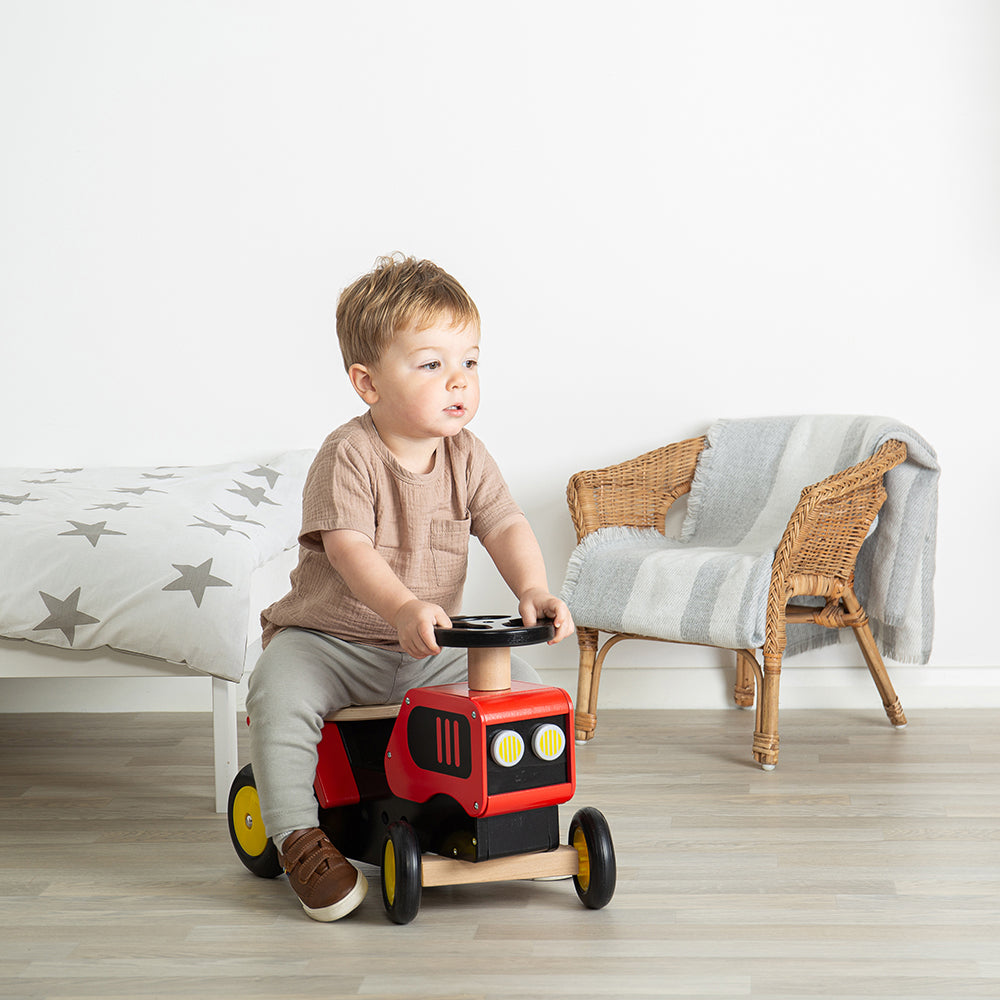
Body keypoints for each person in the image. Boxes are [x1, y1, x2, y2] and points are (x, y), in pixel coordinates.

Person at [246, 254, 574, 922]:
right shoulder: (350, 455)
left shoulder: (468, 454)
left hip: (426, 646)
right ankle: (296, 835)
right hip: (330, 641)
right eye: (431, 364)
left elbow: (505, 523)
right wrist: (399, 605)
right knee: (280, 692)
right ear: (367, 383)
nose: (459, 380)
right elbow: (350, 549)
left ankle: (519, 816)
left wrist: (533, 588)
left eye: (471, 362)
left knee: (526, 687)